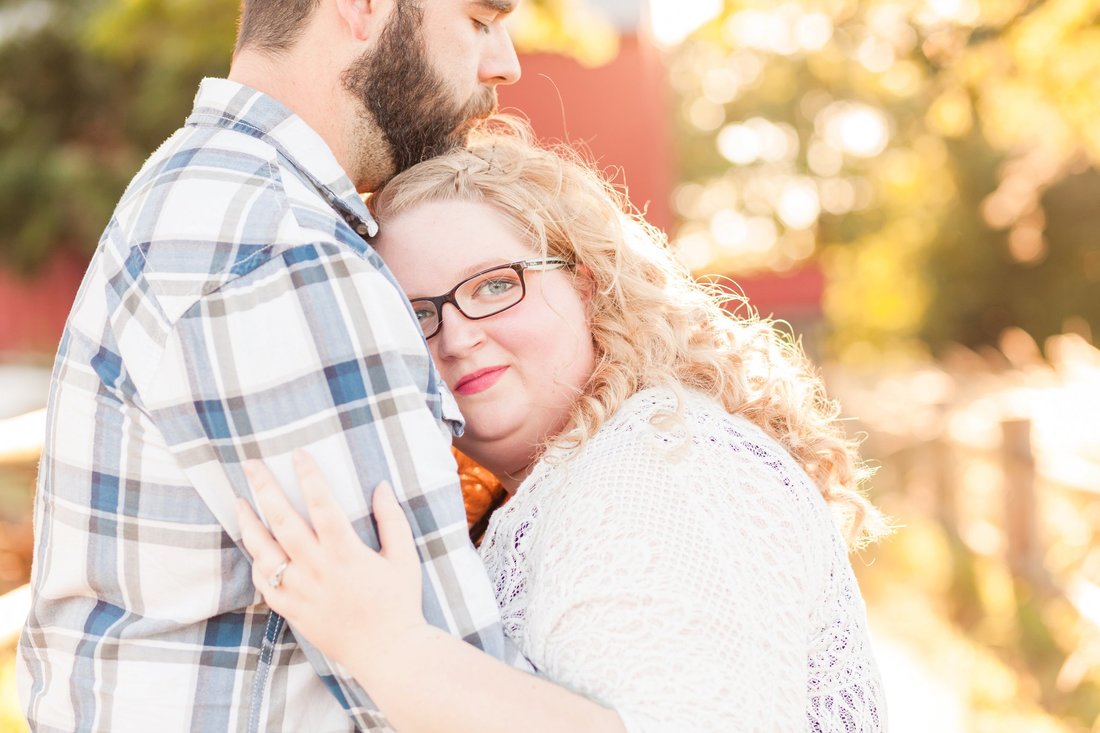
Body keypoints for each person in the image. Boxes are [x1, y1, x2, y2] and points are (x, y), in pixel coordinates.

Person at [236, 126, 891, 731]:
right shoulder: (567, 480)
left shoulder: (664, 463)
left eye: (495, 286)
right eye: (416, 315)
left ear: (588, 283)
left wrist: (387, 647)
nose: (457, 335)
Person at [18, 1, 526, 730]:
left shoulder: (206, 189)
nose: (504, 62)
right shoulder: (280, 248)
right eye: (480, 19)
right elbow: (449, 694)